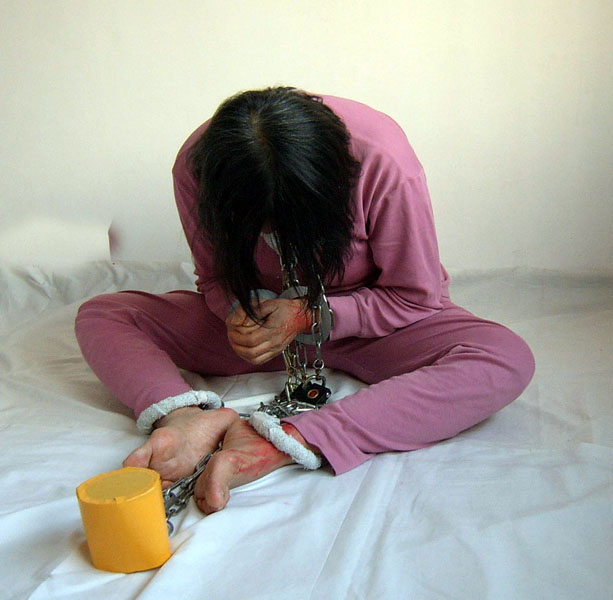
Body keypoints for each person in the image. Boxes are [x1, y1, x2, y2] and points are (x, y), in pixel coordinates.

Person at [75, 87, 535, 515]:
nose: (273, 237)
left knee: (504, 358)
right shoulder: (198, 166)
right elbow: (214, 278)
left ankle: (282, 441)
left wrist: (310, 316)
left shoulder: (383, 161)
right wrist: (238, 312)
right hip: (262, 333)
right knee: (106, 315)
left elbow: (416, 297)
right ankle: (185, 419)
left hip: (370, 329)